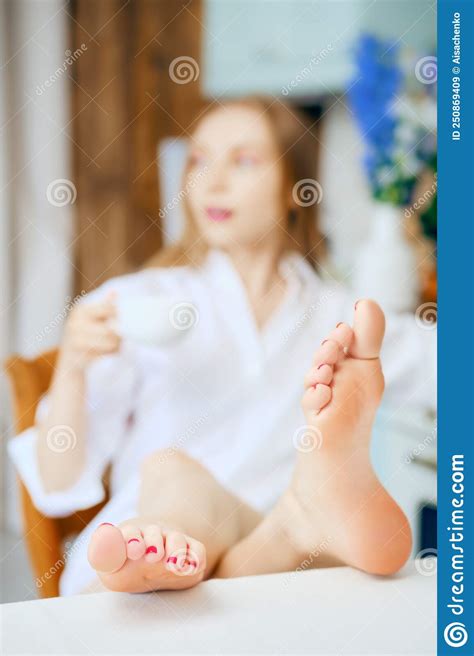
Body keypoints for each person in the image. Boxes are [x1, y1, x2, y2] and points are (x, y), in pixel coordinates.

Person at [8, 96, 435, 596]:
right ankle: (286, 523)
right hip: (163, 530)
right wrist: (73, 369)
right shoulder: (137, 303)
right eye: (199, 159)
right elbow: (59, 484)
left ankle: (296, 517)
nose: (212, 181)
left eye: (244, 161)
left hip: (271, 558)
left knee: (255, 531)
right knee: (171, 474)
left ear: (297, 188)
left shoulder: (341, 319)